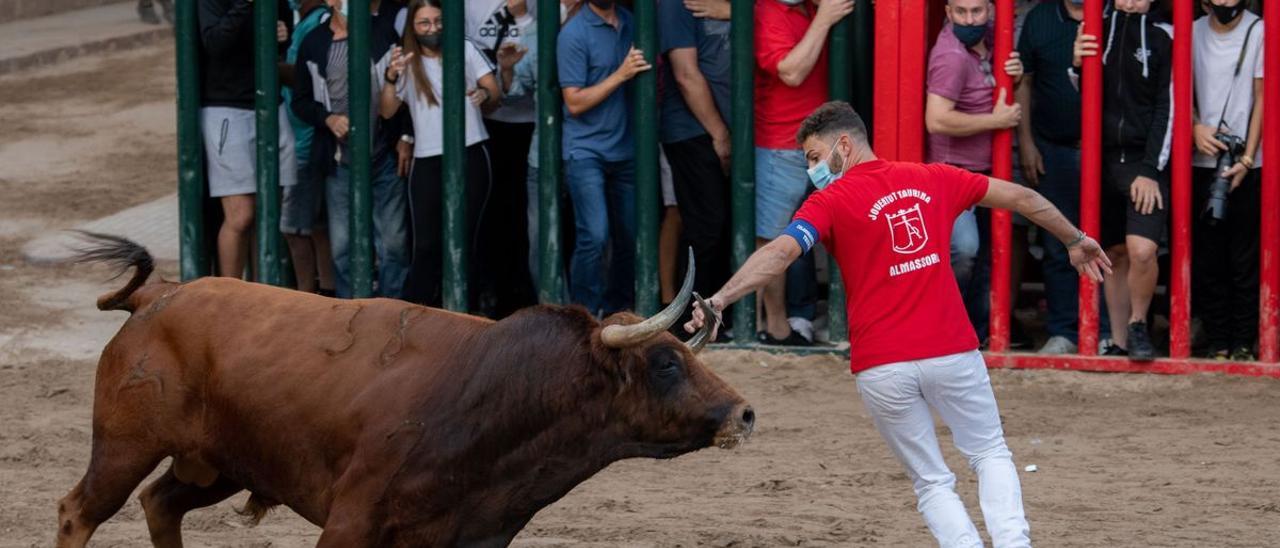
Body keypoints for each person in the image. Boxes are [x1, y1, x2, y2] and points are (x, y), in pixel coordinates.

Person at [687, 102, 1112, 548]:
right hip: (950, 349)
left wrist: (720, 300)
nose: (811, 169)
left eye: (814, 156)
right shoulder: (934, 178)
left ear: (844, 146)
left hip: (881, 365)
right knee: (989, 453)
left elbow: (780, 253)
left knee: (931, 481)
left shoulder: (828, 202)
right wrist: (1076, 239)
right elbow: (1024, 198)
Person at [380, 0, 501, 307]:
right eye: (424, 23)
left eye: (437, 21)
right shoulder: (405, 60)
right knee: (427, 243)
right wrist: (392, 76)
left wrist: (483, 93)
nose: (432, 28)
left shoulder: (465, 49)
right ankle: (418, 313)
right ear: (413, 27)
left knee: (467, 238)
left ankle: (467, 311)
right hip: (428, 158)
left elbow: (494, 91)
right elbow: (387, 110)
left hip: (471, 150)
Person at [1071, 0, 1173, 361]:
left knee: (1142, 250)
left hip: (1143, 163)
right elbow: (1082, 96)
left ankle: (1138, 323)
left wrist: (1150, 169)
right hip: (1101, 160)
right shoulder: (1097, 28)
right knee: (1111, 251)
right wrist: (1077, 65)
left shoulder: (1165, 36)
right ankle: (1119, 341)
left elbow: (1169, 106)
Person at [752, 0, 853, 346]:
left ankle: (799, 317)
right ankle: (774, 328)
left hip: (820, 143)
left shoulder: (809, 7)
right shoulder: (768, 12)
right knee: (771, 236)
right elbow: (791, 72)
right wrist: (824, 19)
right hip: (781, 145)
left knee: (826, 227)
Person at [294, 0, 411, 299]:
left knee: (394, 244)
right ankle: (352, 312)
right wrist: (328, 118)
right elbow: (301, 101)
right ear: (330, 2)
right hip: (339, 161)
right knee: (344, 247)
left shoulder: (382, 32)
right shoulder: (314, 42)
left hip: (383, 155)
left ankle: (390, 310)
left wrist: (406, 137)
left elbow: (405, 87)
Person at [924, 0, 1024, 345]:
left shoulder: (996, 38)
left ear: (991, 11)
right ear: (949, 12)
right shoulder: (950, 56)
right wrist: (996, 121)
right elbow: (936, 119)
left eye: (977, 11)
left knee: (986, 260)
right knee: (965, 251)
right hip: (954, 174)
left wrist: (1017, 73)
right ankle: (942, 330)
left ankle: (975, 336)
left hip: (986, 172)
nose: (969, 19)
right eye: (961, 12)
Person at [557, 0, 647, 317]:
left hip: (627, 148)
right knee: (594, 235)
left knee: (629, 236)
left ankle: (617, 311)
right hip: (586, 150)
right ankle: (584, 314)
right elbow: (574, 102)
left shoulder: (630, 21)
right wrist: (621, 74)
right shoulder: (574, 33)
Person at [198, 0, 297, 279]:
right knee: (241, 215)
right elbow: (214, 43)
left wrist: (282, 33)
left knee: (270, 214)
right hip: (226, 107)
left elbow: (283, 27)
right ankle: (228, 296)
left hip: (269, 104)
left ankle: (259, 293)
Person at [1191, 0, 1264, 361]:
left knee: (1245, 256)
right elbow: (1179, 90)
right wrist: (1194, 127)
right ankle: (1218, 339)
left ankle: (1244, 341)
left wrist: (1248, 158)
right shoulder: (1192, 32)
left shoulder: (1260, 30)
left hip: (1249, 163)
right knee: (1208, 255)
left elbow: (1264, 97)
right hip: (1200, 159)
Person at [1015, 0, 1087, 354]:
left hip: (1108, 152)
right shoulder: (1040, 19)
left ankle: (1106, 331)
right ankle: (1065, 331)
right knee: (1059, 243)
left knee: (1113, 244)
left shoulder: (1118, 13)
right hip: (1053, 148)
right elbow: (1024, 82)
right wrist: (1026, 142)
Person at [656, 0, 733, 317]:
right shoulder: (675, 4)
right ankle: (693, 317)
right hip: (693, 130)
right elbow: (685, 74)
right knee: (707, 227)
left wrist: (734, 12)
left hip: (723, 128)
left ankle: (714, 313)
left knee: (721, 225)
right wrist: (720, 134)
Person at [468, 0, 539, 316]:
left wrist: (523, 16)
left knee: (530, 214)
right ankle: (492, 290)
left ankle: (526, 291)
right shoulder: (469, 4)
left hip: (535, 121)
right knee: (493, 213)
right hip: (489, 121)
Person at [281, 0, 338, 296]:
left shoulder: (318, 21)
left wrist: (268, 63)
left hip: (304, 140)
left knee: (295, 228)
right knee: (315, 225)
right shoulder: (303, 21)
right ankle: (322, 290)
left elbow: (304, 78)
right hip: (301, 135)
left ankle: (304, 295)